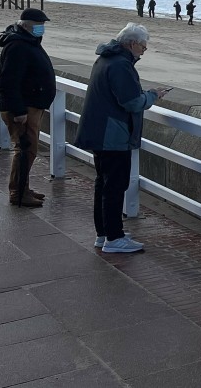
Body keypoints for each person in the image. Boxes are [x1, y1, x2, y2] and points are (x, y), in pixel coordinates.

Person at [74, 23, 169, 254]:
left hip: (101, 132)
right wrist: (153, 95)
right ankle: (114, 239)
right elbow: (132, 102)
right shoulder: (120, 65)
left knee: (104, 184)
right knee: (114, 186)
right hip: (112, 135)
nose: (144, 51)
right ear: (132, 43)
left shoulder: (107, 59)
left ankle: (105, 233)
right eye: (144, 46)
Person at [0, 8, 57, 207]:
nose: (42, 29)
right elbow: (8, 82)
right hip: (23, 108)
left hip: (32, 105)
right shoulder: (18, 46)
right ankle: (18, 193)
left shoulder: (27, 41)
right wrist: (19, 110)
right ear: (26, 25)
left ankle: (23, 187)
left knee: (28, 150)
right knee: (25, 150)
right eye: (39, 25)